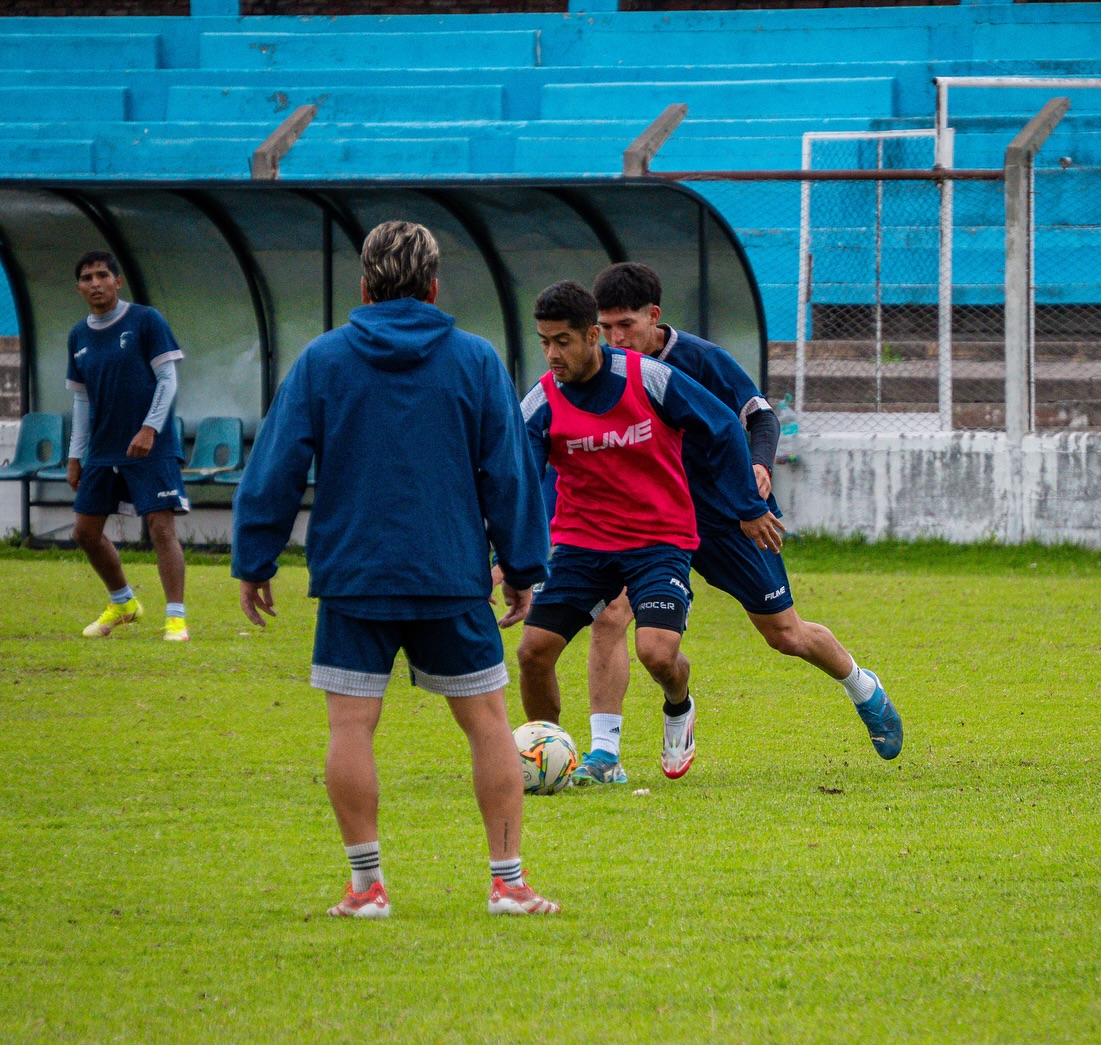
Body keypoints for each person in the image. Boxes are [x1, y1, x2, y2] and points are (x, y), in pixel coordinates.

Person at [231, 221, 558, 918]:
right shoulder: (476, 360)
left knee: (351, 725)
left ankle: (366, 888)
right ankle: (507, 883)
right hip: (451, 574)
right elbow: (509, 474)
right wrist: (522, 565)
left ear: (364, 287)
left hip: (354, 576)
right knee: (489, 723)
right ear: (434, 287)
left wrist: (255, 558)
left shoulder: (323, 360)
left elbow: (277, 464)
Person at [564, 262, 903, 786]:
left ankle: (863, 687)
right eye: (605, 327)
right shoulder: (601, 372)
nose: (615, 339)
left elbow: (759, 416)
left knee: (785, 634)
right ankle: (608, 752)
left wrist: (759, 466)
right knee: (612, 618)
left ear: (654, 316)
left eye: (626, 325)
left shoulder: (701, 360)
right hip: (650, 522)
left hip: (727, 517)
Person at [516, 280, 783, 780]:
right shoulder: (542, 400)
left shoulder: (649, 377)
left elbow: (724, 425)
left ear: (591, 336)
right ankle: (549, 757)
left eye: (563, 341)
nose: (552, 354)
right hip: (582, 544)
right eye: (544, 342)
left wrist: (748, 506)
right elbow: (521, 484)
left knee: (657, 654)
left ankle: (679, 702)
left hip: (659, 539)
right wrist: (507, 560)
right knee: (533, 653)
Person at [65, 251, 189, 642]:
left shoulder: (146, 320)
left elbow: (167, 379)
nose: (95, 283)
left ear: (117, 282)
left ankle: (176, 619)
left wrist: (150, 429)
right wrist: (74, 455)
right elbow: (81, 400)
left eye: (102, 275)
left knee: (161, 528)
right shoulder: (78, 336)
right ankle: (123, 602)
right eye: (87, 278)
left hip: (151, 446)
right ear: (79, 288)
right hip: (103, 450)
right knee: (85, 533)